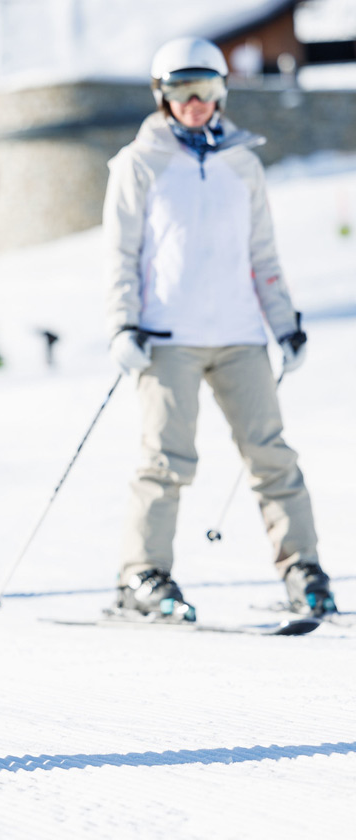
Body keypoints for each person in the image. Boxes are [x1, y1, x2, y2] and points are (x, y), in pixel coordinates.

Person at [102, 36, 336, 621]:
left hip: (240, 335)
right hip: (165, 338)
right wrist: (123, 325)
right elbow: (120, 255)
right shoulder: (140, 163)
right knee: (166, 461)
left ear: (223, 93)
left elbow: (264, 254)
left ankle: (303, 569)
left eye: (207, 89)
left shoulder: (242, 164)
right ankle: (142, 576)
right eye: (183, 90)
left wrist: (285, 325)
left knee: (272, 456)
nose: (197, 102)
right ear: (163, 96)